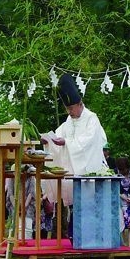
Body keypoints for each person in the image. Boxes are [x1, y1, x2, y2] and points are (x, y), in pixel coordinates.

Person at [41, 73, 108, 208]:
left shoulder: (91, 118)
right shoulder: (69, 121)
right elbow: (59, 135)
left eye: (71, 108)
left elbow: (88, 141)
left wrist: (66, 143)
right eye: (67, 109)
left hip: (91, 171)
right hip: (73, 177)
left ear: (80, 104)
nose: (69, 112)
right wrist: (49, 141)